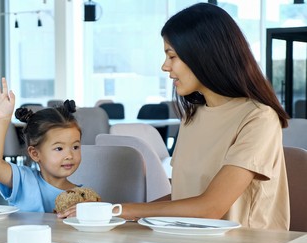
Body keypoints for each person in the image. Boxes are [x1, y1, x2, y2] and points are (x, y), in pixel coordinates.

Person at [59, 3, 290, 230]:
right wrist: (111, 213)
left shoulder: (258, 118)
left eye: (172, 56)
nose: (164, 66)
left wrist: (117, 210)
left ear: (203, 55)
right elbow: (183, 200)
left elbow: (210, 208)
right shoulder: (194, 116)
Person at [0, 77, 82, 212]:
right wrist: (3, 118)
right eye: (59, 148)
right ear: (35, 153)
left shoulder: (82, 196)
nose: (70, 155)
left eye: (75, 147)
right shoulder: (23, 180)